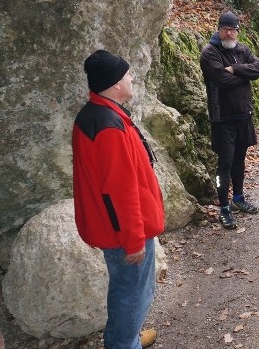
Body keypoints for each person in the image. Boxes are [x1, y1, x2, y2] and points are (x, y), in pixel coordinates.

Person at [73, 50, 163, 349]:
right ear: (114, 84)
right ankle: (123, 343)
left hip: (114, 228)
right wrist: (134, 239)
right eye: (127, 74)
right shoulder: (109, 127)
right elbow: (120, 192)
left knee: (130, 290)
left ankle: (127, 338)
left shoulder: (99, 115)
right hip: (122, 234)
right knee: (133, 294)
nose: (132, 77)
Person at [200, 11, 259, 230]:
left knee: (239, 159)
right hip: (222, 119)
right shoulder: (210, 53)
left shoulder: (242, 49)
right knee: (224, 163)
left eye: (233, 29)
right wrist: (244, 77)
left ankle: (238, 198)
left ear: (237, 31)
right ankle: (224, 207)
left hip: (243, 115)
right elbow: (222, 80)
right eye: (225, 29)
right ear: (219, 29)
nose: (229, 33)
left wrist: (236, 68)